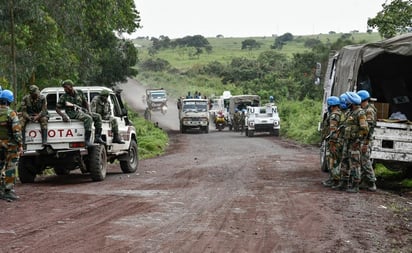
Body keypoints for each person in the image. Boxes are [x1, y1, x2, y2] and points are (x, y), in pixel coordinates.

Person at [55, 80, 105, 146]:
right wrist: (63, 115)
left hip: (81, 111)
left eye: (66, 87)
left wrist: (89, 111)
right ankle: (87, 140)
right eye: (64, 87)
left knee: (98, 116)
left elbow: (86, 102)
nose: (65, 89)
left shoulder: (79, 92)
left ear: (71, 86)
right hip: (72, 113)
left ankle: (97, 137)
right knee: (88, 118)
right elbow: (57, 108)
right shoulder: (63, 97)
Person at [336, 91, 369, 193]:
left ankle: (355, 185)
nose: (347, 104)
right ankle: (343, 182)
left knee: (355, 164)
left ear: (352, 103)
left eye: (348, 102)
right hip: (347, 141)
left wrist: (358, 140)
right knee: (345, 161)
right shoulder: (351, 112)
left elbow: (365, 129)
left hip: (355, 143)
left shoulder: (360, 113)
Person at [0, 89, 22, 201]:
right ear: (10, 101)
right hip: (10, 145)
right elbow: (16, 131)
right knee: (10, 167)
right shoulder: (11, 113)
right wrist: (20, 144)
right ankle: (8, 191)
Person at [357, 90, 377, 191]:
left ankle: (371, 182)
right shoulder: (365, 109)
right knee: (362, 161)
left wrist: (365, 143)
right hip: (364, 139)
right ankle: (365, 182)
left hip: (366, 140)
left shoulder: (369, 110)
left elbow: (369, 129)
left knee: (365, 161)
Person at [322, 96, 342, 188]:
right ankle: (333, 179)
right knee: (334, 161)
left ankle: (335, 180)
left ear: (331, 106)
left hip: (334, 142)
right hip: (337, 141)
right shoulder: (339, 113)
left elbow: (333, 131)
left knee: (333, 161)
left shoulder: (334, 115)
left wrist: (332, 143)